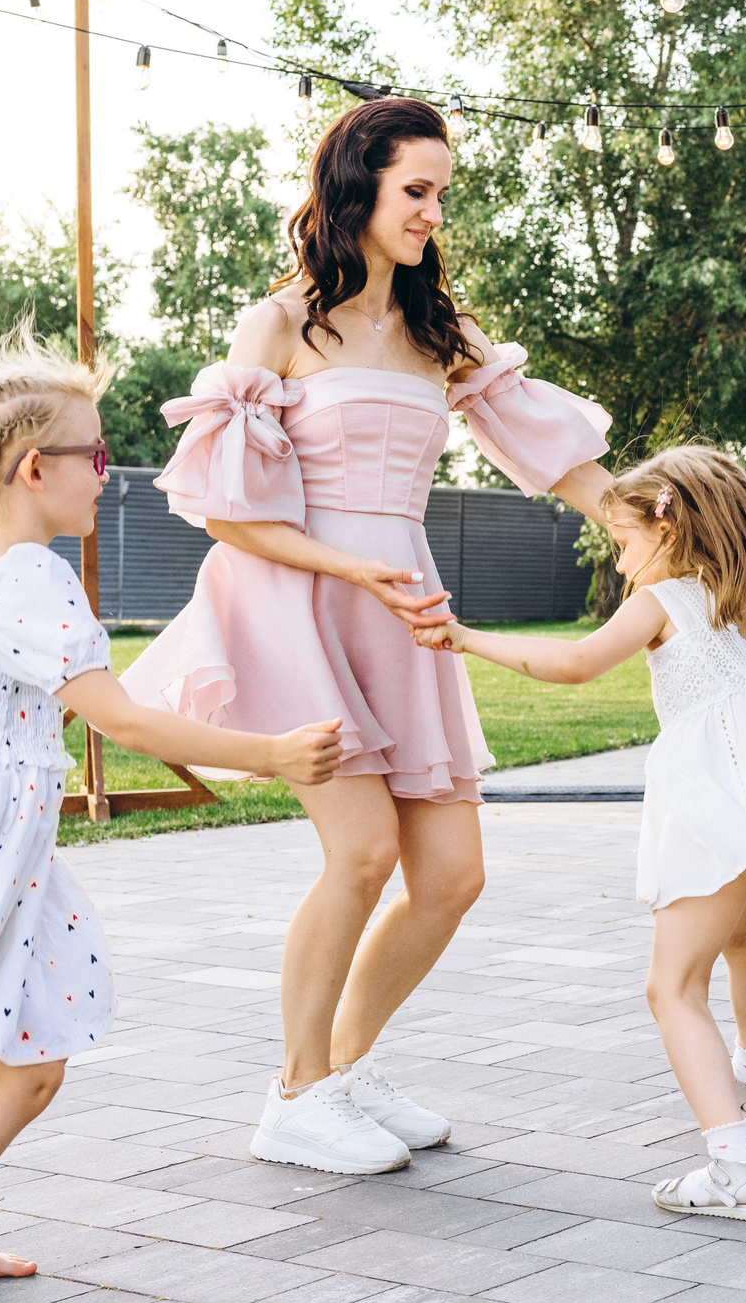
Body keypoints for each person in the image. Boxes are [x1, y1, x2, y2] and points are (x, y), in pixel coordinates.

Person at [121, 97, 611, 1176]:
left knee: (451, 874)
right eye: (415, 191)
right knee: (361, 851)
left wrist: (663, 527)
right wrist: (351, 568)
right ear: (357, 189)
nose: (433, 212)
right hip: (299, 593)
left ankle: (337, 1070)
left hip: (402, 601)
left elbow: (558, 455)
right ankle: (293, 1095)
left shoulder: (443, 332)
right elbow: (224, 509)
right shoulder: (280, 324)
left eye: (441, 193)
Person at [0, 340, 345, 1303]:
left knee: (26, 1059)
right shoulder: (33, 581)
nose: (112, 477)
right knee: (28, 1069)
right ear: (31, 467)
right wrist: (270, 752)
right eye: (96, 458)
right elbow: (125, 720)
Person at [416, 447, 746, 1220]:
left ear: (669, 522)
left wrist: (465, 639)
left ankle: (732, 1169)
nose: (621, 566)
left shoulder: (668, 603)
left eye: (622, 544)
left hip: (715, 804)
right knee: (742, 934)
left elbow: (575, 664)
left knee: (672, 987)